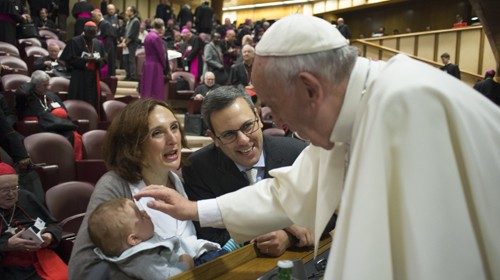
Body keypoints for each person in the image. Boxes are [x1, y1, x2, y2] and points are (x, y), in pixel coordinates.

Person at [135, 14, 500, 279]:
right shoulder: (359, 107)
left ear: (310, 89)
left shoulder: (404, 106)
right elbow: (287, 192)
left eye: (275, 108)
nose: (279, 125)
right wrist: (195, 209)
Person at [69, 99, 223, 279]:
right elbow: (83, 269)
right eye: (157, 133)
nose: (173, 139)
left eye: (174, 127)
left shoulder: (179, 179)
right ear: (135, 146)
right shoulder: (114, 184)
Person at [183, 86, 319, 257]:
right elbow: (210, 237)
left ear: (258, 117)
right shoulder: (198, 168)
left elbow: (329, 213)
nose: (243, 140)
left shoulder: (296, 152)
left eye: (247, 126)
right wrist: (278, 221)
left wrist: (288, 237)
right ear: (213, 138)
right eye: (229, 135)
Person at [87, 198, 195, 279]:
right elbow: (171, 277)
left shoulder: (143, 246)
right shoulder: (143, 259)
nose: (145, 213)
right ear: (134, 239)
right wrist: (186, 263)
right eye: (141, 216)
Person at [0, 162, 66, 279]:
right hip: (7, 269)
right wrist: (7, 245)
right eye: (4, 190)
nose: (11, 194)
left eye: (14, 188)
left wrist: (49, 236)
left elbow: (53, 224)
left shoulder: (25, 197)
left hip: (41, 258)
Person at [15, 70, 82, 159]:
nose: (48, 87)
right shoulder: (28, 97)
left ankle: (74, 162)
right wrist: (30, 83)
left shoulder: (52, 96)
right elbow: (22, 92)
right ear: (35, 85)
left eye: (48, 84)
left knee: (74, 135)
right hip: (41, 129)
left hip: (59, 127)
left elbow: (66, 113)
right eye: (44, 85)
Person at [59, 20, 106, 111]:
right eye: (90, 33)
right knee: (78, 100)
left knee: (93, 101)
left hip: (93, 76)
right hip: (79, 77)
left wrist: (97, 61)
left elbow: (105, 59)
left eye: (94, 34)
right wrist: (85, 61)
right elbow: (68, 59)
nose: (92, 36)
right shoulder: (74, 41)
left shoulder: (98, 43)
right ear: (85, 31)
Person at [140, 18, 168, 101]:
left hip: (147, 64)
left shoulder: (148, 36)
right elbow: (161, 54)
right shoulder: (156, 37)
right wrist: (164, 66)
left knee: (147, 87)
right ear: (161, 27)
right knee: (156, 88)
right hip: (155, 65)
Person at [92, 8, 116, 78]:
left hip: (106, 51)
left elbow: (108, 40)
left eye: (94, 16)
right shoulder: (100, 24)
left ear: (99, 15)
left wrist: (105, 53)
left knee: (107, 74)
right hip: (102, 50)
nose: (92, 18)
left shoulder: (105, 24)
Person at [118, 6, 140, 81]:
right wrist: (123, 41)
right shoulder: (128, 21)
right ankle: (128, 75)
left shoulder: (136, 21)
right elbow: (126, 33)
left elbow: (132, 35)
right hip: (127, 43)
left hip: (132, 44)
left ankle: (133, 76)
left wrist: (125, 43)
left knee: (131, 60)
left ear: (132, 12)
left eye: (128, 11)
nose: (126, 12)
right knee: (125, 60)